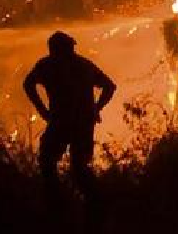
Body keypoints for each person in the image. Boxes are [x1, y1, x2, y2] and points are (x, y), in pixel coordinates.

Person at [23, 31, 116, 209]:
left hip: (63, 122)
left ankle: (63, 205)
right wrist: (96, 108)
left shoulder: (49, 65)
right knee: (76, 168)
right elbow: (109, 86)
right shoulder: (80, 65)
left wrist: (43, 110)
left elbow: (28, 84)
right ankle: (92, 204)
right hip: (78, 123)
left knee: (50, 163)